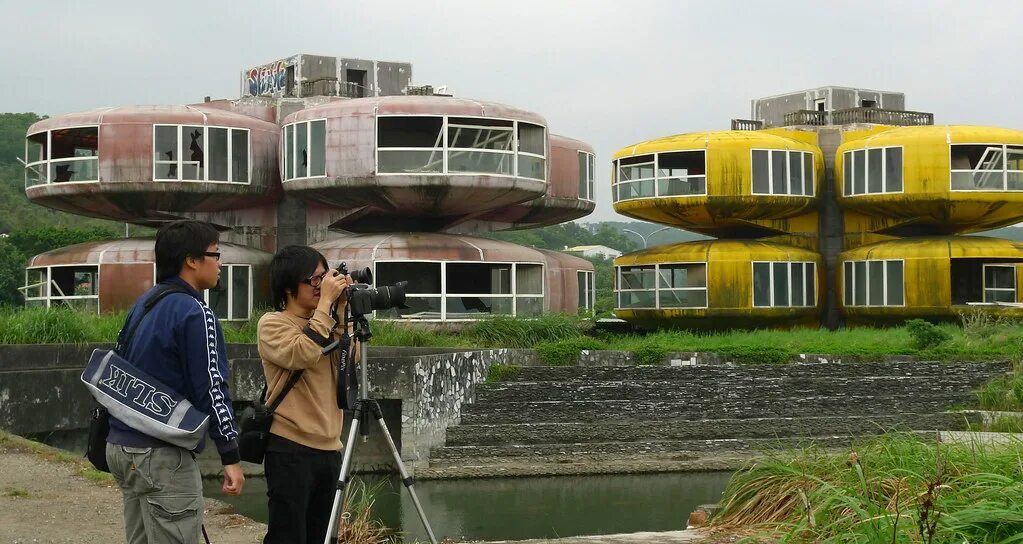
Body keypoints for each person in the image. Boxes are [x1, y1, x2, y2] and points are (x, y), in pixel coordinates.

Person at [105, 220, 245, 543]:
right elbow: (212, 388)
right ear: (192, 261)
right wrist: (230, 455)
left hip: (122, 448)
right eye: (216, 254)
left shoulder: (145, 303)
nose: (220, 263)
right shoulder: (196, 312)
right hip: (161, 456)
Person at [257, 246, 351, 544]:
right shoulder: (273, 324)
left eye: (326, 277)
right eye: (314, 280)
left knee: (324, 537)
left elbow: (351, 362)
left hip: (330, 447)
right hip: (290, 447)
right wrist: (326, 305)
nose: (322, 286)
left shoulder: (327, 323)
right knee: (289, 536)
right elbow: (303, 353)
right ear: (288, 287)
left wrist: (342, 315)